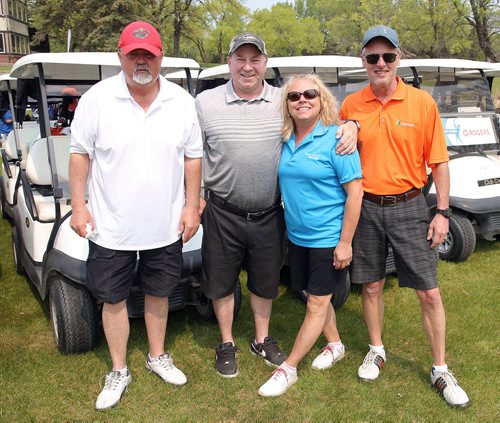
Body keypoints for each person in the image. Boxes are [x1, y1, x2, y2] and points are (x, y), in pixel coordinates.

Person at [195, 33, 359, 378]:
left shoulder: (281, 100)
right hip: (222, 209)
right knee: (222, 282)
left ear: (265, 64)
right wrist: (192, 196)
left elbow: (319, 117)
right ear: (229, 62)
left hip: (269, 212)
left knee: (265, 280)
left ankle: (261, 338)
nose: (247, 66)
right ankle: (226, 342)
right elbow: (191, 153)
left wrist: (352, 125)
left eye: (255, 59)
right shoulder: (205, 102)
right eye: (240, 59)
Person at [69, 21, 203, 411]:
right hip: (111, 227)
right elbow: (80, 154)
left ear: (161, 57)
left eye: (149, 54)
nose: (141, 61)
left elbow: (193, 157)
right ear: (121, 57)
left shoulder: (180, 101)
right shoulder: (97, 98)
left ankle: (157, 355)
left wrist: (191, 205)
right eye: (134, 55)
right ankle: (118, 369)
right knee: (112, 300)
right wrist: (79, 206)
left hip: (164, 225)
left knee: (160, 292)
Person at [340, 25, 470, 407]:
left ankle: (440, 368)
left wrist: (442, 212)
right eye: (372, 57)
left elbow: (439, 163)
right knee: (372, 285)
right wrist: (346, 124)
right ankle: (376, 348)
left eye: (388, 56)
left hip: (412, 206)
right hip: (366, 207)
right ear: (363, 61)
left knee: (429, 292)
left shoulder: (421, 103)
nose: (380, 63)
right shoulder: (351, 106)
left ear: (399, 59)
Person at [257, 74, 363, 397]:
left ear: (322, 100)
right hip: (298, 237)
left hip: (328, 238)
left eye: (309, 94)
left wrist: (345, 242)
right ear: (287, 105)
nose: (302, 100)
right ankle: (335, 344)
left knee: (316, 303)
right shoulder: (286, 140)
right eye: (294, 96)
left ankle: (288, 369)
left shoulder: (336, 140)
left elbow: (355, 193)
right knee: (313, 294)